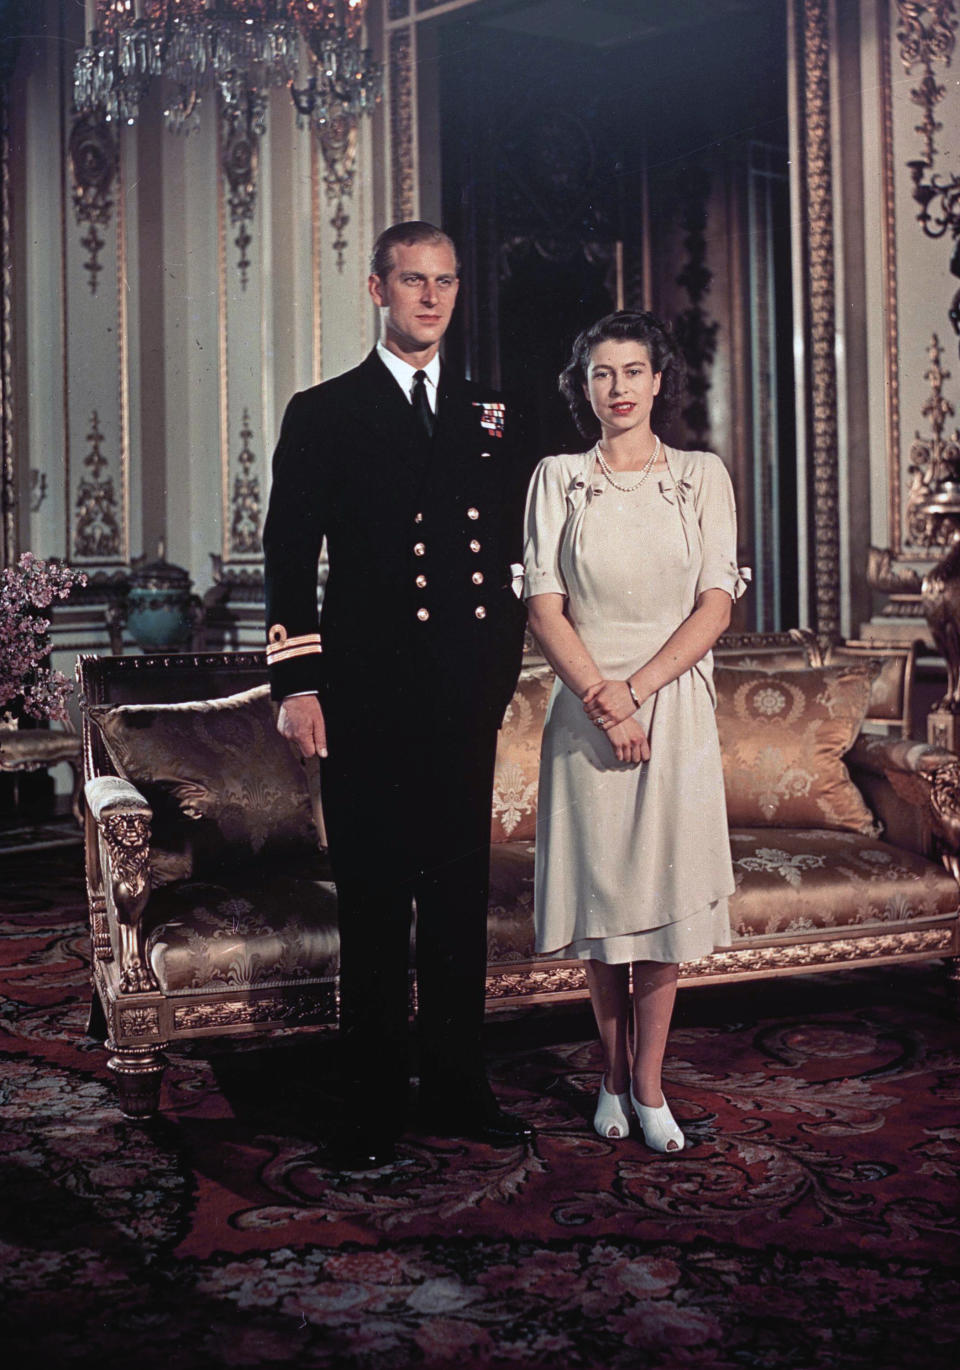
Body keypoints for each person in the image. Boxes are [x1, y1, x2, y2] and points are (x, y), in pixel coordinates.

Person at [262, 221, 534, 1170]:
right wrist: (298, 684)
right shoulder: (325, 410)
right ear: (377, 290)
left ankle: (460, 1087)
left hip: (463, 696)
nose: (431, 298)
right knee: (376, 903)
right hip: (367, 697)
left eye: (446, 282)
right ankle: (373, 1104)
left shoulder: (491, 411)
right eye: (413, 281)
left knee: (458, 900)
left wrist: (499, 672)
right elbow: (290, 560)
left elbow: (510, 558)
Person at [523, 310, 747, 1153]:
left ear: (661, 381)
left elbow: (716, 603)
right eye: (602, 374)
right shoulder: (556, 477)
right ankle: (607, 1075)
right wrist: (601, 698)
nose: (618, 389)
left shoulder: (700, 475)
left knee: (660, 912)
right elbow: (544, 604)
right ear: (585, 386)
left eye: (633, 372)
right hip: (584, 712)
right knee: (606, 909)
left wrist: (640, 694)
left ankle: (647, 1085)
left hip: (673, 705)